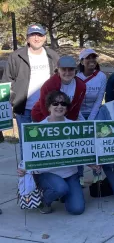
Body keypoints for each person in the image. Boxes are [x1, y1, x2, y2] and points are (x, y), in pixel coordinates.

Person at [18, 91, 88, 215]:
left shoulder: (74, 127)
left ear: (67, 108)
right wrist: (23, 168)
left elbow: (83, 150)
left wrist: (93, 163)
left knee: (77, 209)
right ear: (49, 106)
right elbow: (31, 152)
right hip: (47, 173)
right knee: (61, 188)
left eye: (63, 104)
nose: (59, 106)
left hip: (70, 173)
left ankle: (63, 193)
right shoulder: (37, 128)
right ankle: (44, 200)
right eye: (55, 103)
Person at [1, 24, 59, 155]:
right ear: (27, 38)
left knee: (46, 142)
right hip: (24, 109)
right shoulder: (16, 56)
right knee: (26, 143)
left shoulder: (52, 56)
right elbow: (6, 81)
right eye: (33, 35)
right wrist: (10, 103)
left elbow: (60, 79)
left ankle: (43, 172)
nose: (36, 38)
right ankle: (26, 174)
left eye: (39, 35)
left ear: (45, 38)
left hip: (47, 109)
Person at [76, 49, 107, 185]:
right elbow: (74, 101)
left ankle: (97, 174)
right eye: (88, 58)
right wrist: (83, 120)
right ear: (82, 61)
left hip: (94, 113)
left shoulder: (101, 77)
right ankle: (79, 175)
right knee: (80, 143)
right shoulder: (76, 76)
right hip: (78, 113)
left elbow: (99, 99)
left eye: (94, 58)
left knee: (96, 142)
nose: (92, 61)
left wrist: (91, 120)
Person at [31, 56, 86, 122]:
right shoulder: (49, 85)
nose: (67, 73)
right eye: (64, 69)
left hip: (64, 118)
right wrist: (53, 123)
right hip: (42, 116)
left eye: (71, 69)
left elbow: (76, 108)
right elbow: (44, 107)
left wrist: (70, 123)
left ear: (75, 70)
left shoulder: (81, 86)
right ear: (58, 70)